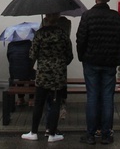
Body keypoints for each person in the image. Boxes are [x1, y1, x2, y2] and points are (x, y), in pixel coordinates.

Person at [76, 0, 120, 145]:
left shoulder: (87, 16)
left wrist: (82, 56)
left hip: (91, 62)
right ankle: (105, 134)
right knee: (107, 97)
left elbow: (81, 38)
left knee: (92, 97)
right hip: (109, 63)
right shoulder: (115, 17)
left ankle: (90, 134)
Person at [21, 13, 73, 143]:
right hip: (58, 75)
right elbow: (69, 55)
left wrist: (35, 66)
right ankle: (52, 133)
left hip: (43, 74)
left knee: (39, 103)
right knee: (55, 102)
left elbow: (32, 54)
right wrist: (60, 63)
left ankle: (33, 132)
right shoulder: (63, 35)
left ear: (45, 19)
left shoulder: (39, 34)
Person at [7, 40, 35, 107]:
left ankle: (20, 98)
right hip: (28, 69)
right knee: (32, 76)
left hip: (14, 71)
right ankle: (31, 99)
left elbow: (9, 57)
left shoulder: (11, 44)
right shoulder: (30, 43)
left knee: (20, 77)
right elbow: (33, 56)